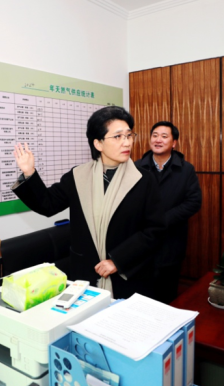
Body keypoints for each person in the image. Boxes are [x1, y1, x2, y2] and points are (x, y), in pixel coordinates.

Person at [11, 106, 165, 299]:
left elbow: (155, 231)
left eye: (129, 135)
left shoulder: (144, 179)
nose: (126, 142)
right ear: (98, 143)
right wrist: (29, 173)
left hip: (129, 275)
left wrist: (117, 261)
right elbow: (47, 204)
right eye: (118, 136)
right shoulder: (79, 176)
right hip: (86, 275)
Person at [135, 121, 201, 304]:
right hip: (142, 239)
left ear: (174, 143)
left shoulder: (186, 169)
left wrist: (163, 219)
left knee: (167, 291)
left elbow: (194, 202)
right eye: (155, 135)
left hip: (171, 238)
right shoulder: (136, 167)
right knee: (142, 293)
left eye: (164, 136)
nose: (158, 140)